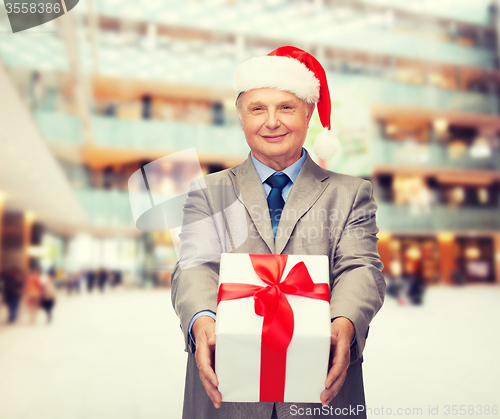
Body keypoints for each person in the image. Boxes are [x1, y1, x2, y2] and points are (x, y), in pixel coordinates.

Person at [171, 46, 386, 419]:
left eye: (286, 107)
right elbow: (194, 266)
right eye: (258, 109)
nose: (272, 122)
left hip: (321, 389)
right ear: (241, 117)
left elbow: (360, 267)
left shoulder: (350, 193)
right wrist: (202, 319)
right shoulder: (208, 192)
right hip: (227, 389)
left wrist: (345, 321)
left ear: (308, 113)